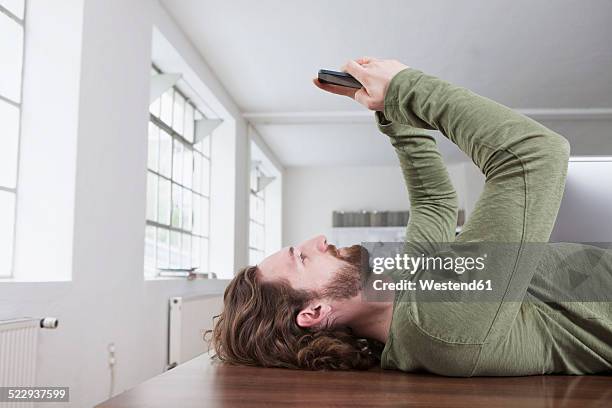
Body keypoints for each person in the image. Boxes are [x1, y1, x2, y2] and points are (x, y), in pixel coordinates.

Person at [211, 58, 612, 376]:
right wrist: (407, 88)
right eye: (302, 258)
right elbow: (532, 155)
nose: (318, 240)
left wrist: (391, 112)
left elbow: (434, 201)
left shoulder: (405, 286)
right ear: (313, 314)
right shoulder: (435, 326)